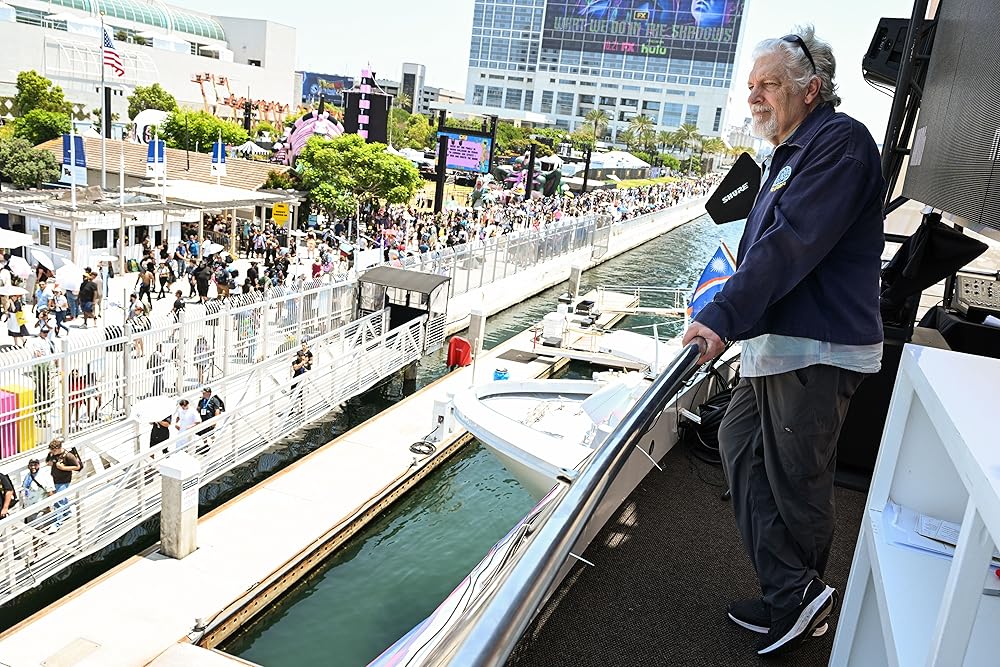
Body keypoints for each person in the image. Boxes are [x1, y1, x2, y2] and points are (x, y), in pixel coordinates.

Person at [681, 27, 884, 657]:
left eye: (768, 84)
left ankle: (798, 602)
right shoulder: (792, 152)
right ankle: (791, 591)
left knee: (799, 479)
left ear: (811, 88)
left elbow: (791, 243)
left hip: (815, 347)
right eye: (751, 87)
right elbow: (764, 249)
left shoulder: (840, 144)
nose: (755, 98)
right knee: (738, 442)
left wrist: (722, 314)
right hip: (779, 344)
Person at [45, 437, 81, 532]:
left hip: (64, 480)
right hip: (54, 480)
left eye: (54, 450)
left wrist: (63, 468)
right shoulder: (52, 454)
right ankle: (67, 512)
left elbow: (78, 467)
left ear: (59, 448)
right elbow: (48, 462)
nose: (52, 452)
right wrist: (50, 462)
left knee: (58, 501)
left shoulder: (68, 456)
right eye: (51, 450)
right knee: (62, 498)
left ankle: (57, 524)